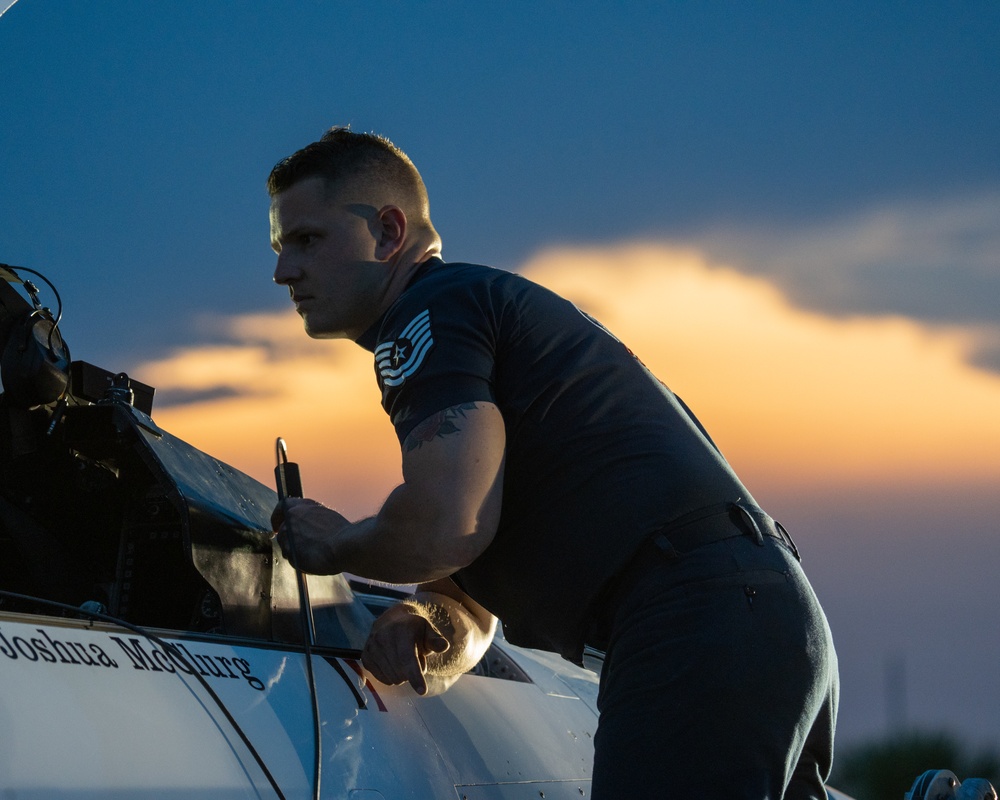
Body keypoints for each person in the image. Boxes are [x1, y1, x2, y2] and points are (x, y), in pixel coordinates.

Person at [267, 126, 839, 798]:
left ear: (388, 233)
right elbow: (468, 591)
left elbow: (446, 527)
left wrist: (336, 543)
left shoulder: (428, 312)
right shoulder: (485, 315)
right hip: (769, 624)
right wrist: (428, 624)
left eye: (307, 240)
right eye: (280, 248)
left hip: (693, 621)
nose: (283, 272)